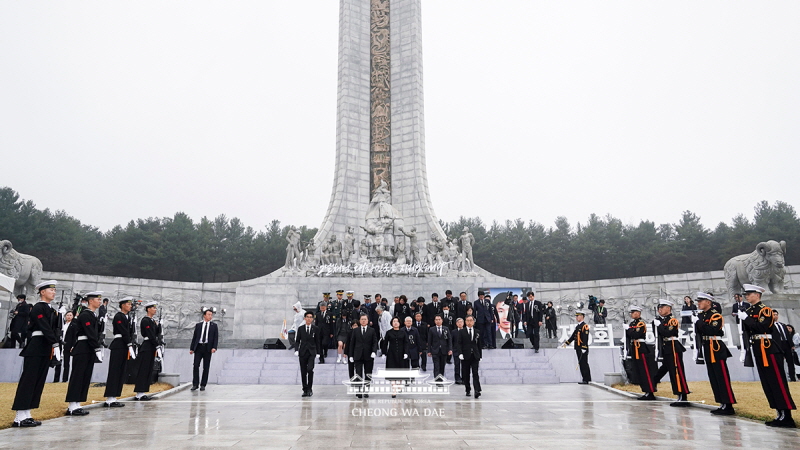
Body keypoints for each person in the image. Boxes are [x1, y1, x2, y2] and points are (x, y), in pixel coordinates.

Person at [737, 284, 796, 427]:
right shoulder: (749, 310)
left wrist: (746, 318)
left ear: (757, 295)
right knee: (768, 383)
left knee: (777, 381)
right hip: (757, 348)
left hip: (769, 349)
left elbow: (762, 327)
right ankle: (779, 413)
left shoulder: (765, 310)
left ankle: (787, 415)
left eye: (749, 293)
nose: (746, 296)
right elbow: (748, 330)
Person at [11, 280, 60, 427]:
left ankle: (27, 413)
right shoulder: (38, 308)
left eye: (55, 290)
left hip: (45, 347)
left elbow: (54, 328)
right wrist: (55, 342)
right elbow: (44, 326)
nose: (54, 292)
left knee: (38, 382)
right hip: (36, 346)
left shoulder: (52, 310)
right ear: (42, 292)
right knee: (29, 381)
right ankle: (19, 416)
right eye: (51, 290)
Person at [693, 292, 736, 415]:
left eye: (701, 301)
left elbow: (711, 330)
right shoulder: (701, 316)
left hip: (716, 347)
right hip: (707, 347)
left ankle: (728, 404)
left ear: (708, 302)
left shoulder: (715, 315)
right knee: (713, 377)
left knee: (721, 376)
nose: (698, 303)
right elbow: (700, 333)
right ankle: (721, 403)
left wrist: (698, 322)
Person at [64, 291, 103, 416]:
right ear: (91, 301)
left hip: (89, 347)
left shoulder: (92, 315)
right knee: (78, 376)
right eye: (98, 299)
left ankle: (77, 404)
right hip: (83, 347)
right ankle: (71, 406)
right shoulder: (86, 315)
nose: (100, 301)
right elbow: (89, 332)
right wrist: (97, 347)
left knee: (85, 376)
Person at [653, 299, 691, 407]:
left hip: (673, 347)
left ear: (668, 309)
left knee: (677, 372)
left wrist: (659, 325)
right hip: (667, 348)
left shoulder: (672, 320)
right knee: (669, 371)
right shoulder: (662, 320)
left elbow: (667, 332)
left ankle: (683, 396)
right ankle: (655, 382)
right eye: (659, 308)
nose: (659, 310)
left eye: (662, 308)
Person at [103, 297, 136, 406]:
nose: (130, 306)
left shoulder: (127, 317)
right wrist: (129, 344)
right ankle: (110, 397)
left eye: (131, 304)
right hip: (119, 344)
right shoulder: (119, 316)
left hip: (124, 345)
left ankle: (114, 396)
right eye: (128, 304)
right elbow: (123, 331)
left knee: (121, 372)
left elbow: (130, 332)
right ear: (122, 305)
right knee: (115, 371)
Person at [625, 305, 656, 400]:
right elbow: (629, 336)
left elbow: (636, 334)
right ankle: (645, 391)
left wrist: (628, 329)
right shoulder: (632, 323)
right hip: (634, 348)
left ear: (638, 313)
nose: (631, 314)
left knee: (645, 371)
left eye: (633, 312)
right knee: (639, 372)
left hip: (641, 348)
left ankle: (650, 391)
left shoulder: (641, 323)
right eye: (631, 312)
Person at [134, 300, 160, 401]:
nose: (155, 310)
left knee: (148, 370)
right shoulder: (145, 320)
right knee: (144, 370)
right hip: (147, 346)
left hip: (151, 346)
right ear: (148, 309)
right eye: (153, 308)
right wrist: (157, 345)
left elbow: (156, 333)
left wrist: (159, 325)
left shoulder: (152, 321)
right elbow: (150, 334)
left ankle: (143, 391)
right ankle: (139, 392)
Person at [348, 314, 378, 398]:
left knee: (368, 373)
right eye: (362, 319)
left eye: (365, 319)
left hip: (368, 355)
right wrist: (351, 355)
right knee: (358, 373)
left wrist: (374, 351)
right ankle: (359, 391)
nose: (363, 321)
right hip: (358, 355)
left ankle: (366, 390)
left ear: (368, 321)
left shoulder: (372, 330)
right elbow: (352, 344)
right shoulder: (355, 331)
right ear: (359, 321)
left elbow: (374, 342)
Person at [190, 308, 219, 391]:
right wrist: (192, 348)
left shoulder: (214, 326)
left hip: (207, 348)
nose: (210, 316)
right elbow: (195, 337)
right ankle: (195, 384)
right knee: (196, 365)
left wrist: (214, 347)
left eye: (211, 315)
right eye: (209, 314)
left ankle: (203, 384)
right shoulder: (198, 325)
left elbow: (215, 338)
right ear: (204, 315)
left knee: (206, 367)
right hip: (198, 347)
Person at [295, 311, 320, 397]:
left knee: (310, 369)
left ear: (312, 319)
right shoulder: (301, 328)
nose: (309, 318)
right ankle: (305, 389)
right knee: (303, 371)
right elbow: (297, 340)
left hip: (311, 352)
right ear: (304, 318)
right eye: (307, 317)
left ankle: (310, 388)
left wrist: (319, 352)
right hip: (302, 352)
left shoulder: (315, 329)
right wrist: (296, 350)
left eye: (310, 317)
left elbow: (317, 341)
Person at [456, 315, 482, 398]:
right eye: (468, 320)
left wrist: (480, 355)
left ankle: (477, 390)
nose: (469, 322)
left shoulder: (477, 332)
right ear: (465, 322)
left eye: (471, 320)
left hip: (475, 355)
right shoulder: (461, 332)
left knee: (475, 373)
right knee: (466, 374)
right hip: (465, 355)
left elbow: (479, 345)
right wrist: (460, 353)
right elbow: (459, 343)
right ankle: (468, 389)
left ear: (474, 322)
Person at [563, 311, 591, 384]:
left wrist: (584, 347)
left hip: (582, 348)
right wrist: (567, 343)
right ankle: (584, 378)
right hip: (578, 347)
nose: (576, 317)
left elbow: (585, 337)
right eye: (576, 316)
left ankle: (587, 379)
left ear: (582, 316)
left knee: (584, 363)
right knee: (581, 363)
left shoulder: (585, 326)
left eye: (578, 316)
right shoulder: (578, 326)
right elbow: (573, 336)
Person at [772, 311, 796, 382]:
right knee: (780, 362)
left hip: (786, 344)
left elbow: (788, 335)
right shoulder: (771, 326)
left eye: (776, 315)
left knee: (790, 362)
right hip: (778, 345)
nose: (775, 316)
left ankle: (792, 378)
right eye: (773, 315)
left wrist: (791, 345)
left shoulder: (783, 325)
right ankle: (782, 378)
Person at [427, 315, 452, 380]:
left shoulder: (446, 329)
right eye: (436, 320)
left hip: (444, 350)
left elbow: (449, 340)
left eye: (439, 319)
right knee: (436, 366)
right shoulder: (432, 329)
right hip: (435, 350)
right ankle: (437, 380)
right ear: (434, 321)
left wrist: (450, 349)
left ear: (442, 320)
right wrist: (429, 351)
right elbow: (429, 341)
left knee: (442, 366)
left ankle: (441, 379)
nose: (438, 321)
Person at [53, 311, 75, 383]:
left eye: (70, 315)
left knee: (66, 363)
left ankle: (64, 379)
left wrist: (73, 345)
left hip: (67, 346)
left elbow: (74, 337)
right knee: (58, 363)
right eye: (67, 315)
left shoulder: (74, 325)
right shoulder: (62, 325)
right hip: (60, 346)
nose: (69, 316)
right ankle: (56, 379)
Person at [452, 318, 464, 384]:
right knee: (457, 365)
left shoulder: (466, 331)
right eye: (458, 322)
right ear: (456, 324)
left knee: (464, 365)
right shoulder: (454, 332)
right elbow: (451, 341)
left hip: (464, 351)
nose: (460, 323)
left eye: (461, 322)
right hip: (456, 350)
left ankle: (464, 378)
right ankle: (457, 378)